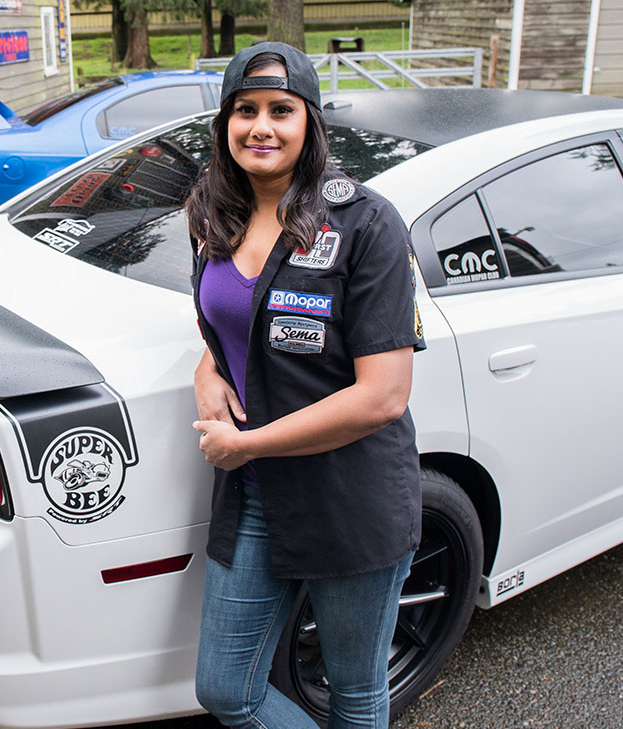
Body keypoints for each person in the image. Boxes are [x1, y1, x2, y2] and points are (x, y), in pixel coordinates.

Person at [185, 41, 426, 729]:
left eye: (281, 110)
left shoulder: (366, 223)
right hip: (258, 498)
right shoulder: (212, 214)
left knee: (353, 692)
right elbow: (228, 323)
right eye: (245, 110)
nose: (261, 126)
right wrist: (205, 369)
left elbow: (384, 394)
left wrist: (248, 442)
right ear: (225, 124)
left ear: (309, 123)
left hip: (350, 498)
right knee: (226, 691)